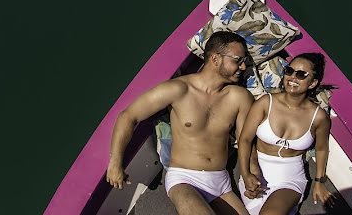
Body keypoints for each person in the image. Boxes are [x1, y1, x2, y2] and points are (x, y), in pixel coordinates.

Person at [106, 30, 254, 215]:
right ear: (215, 59)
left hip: (220, 182)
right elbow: (128, 116)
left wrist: (250, 173)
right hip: (185, 179)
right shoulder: (178, 89)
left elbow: (246, 140)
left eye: (244, 61)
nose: (242, 67)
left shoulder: (239, 97)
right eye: (237, 60)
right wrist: (116, 163)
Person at [237, 53, 334, 215]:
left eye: (301, 74)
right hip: (256, 173)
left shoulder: (318, 117)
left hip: (289, 179)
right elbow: (245, 140)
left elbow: (322, 149)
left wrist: (319, 181)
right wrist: (245, 173)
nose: (292, 77)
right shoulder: (265, 102)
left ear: (313, 83)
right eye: (289, 71)